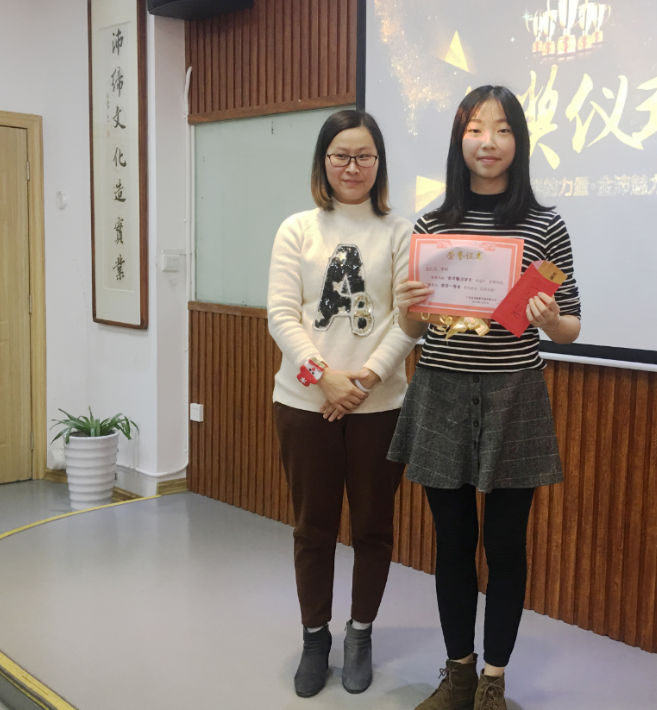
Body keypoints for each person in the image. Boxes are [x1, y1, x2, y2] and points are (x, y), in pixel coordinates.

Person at [390, 86, 582, 710]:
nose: (489, 142)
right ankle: (459, 675)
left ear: (518, 142)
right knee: (451, 544)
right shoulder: (431, 226)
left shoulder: (544, 226)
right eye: (476, 129)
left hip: (513, 397)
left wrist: (549, 319)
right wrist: (405, 308)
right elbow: (414, 328)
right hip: (441, 393)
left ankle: (493, 682)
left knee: (504, 546)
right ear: (460, 141)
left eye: (502, 130)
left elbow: (571, 326)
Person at [267, 109, 418, 698]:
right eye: (341, 156)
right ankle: (315, 638)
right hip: (304, 403)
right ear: (323, 162)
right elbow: (282, 315)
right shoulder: (297, 229)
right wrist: (325, 378)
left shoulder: (400, 232)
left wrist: (365, 380)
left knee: (374, 528)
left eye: (365, 157)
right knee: (313, 528)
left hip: (379, 406)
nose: (353, 167)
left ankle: (360, 634)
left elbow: (407, 320)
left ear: (379, 164)